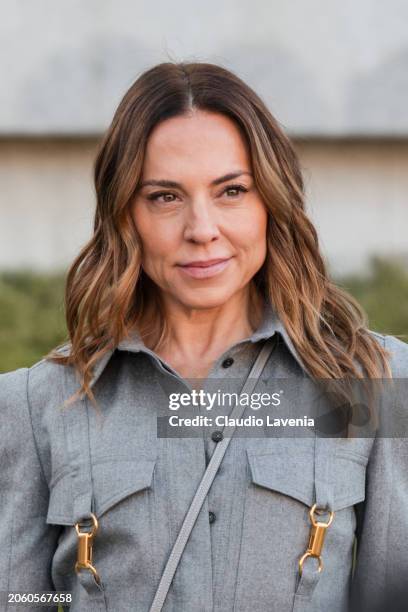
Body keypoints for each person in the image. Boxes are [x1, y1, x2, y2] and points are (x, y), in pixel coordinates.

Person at [1, 61, 407, 612]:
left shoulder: (371, 380)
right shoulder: (35, 405)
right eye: (165, 197)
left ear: (271, 202)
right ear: (125, 215)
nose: (202, 229)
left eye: (231, 191)